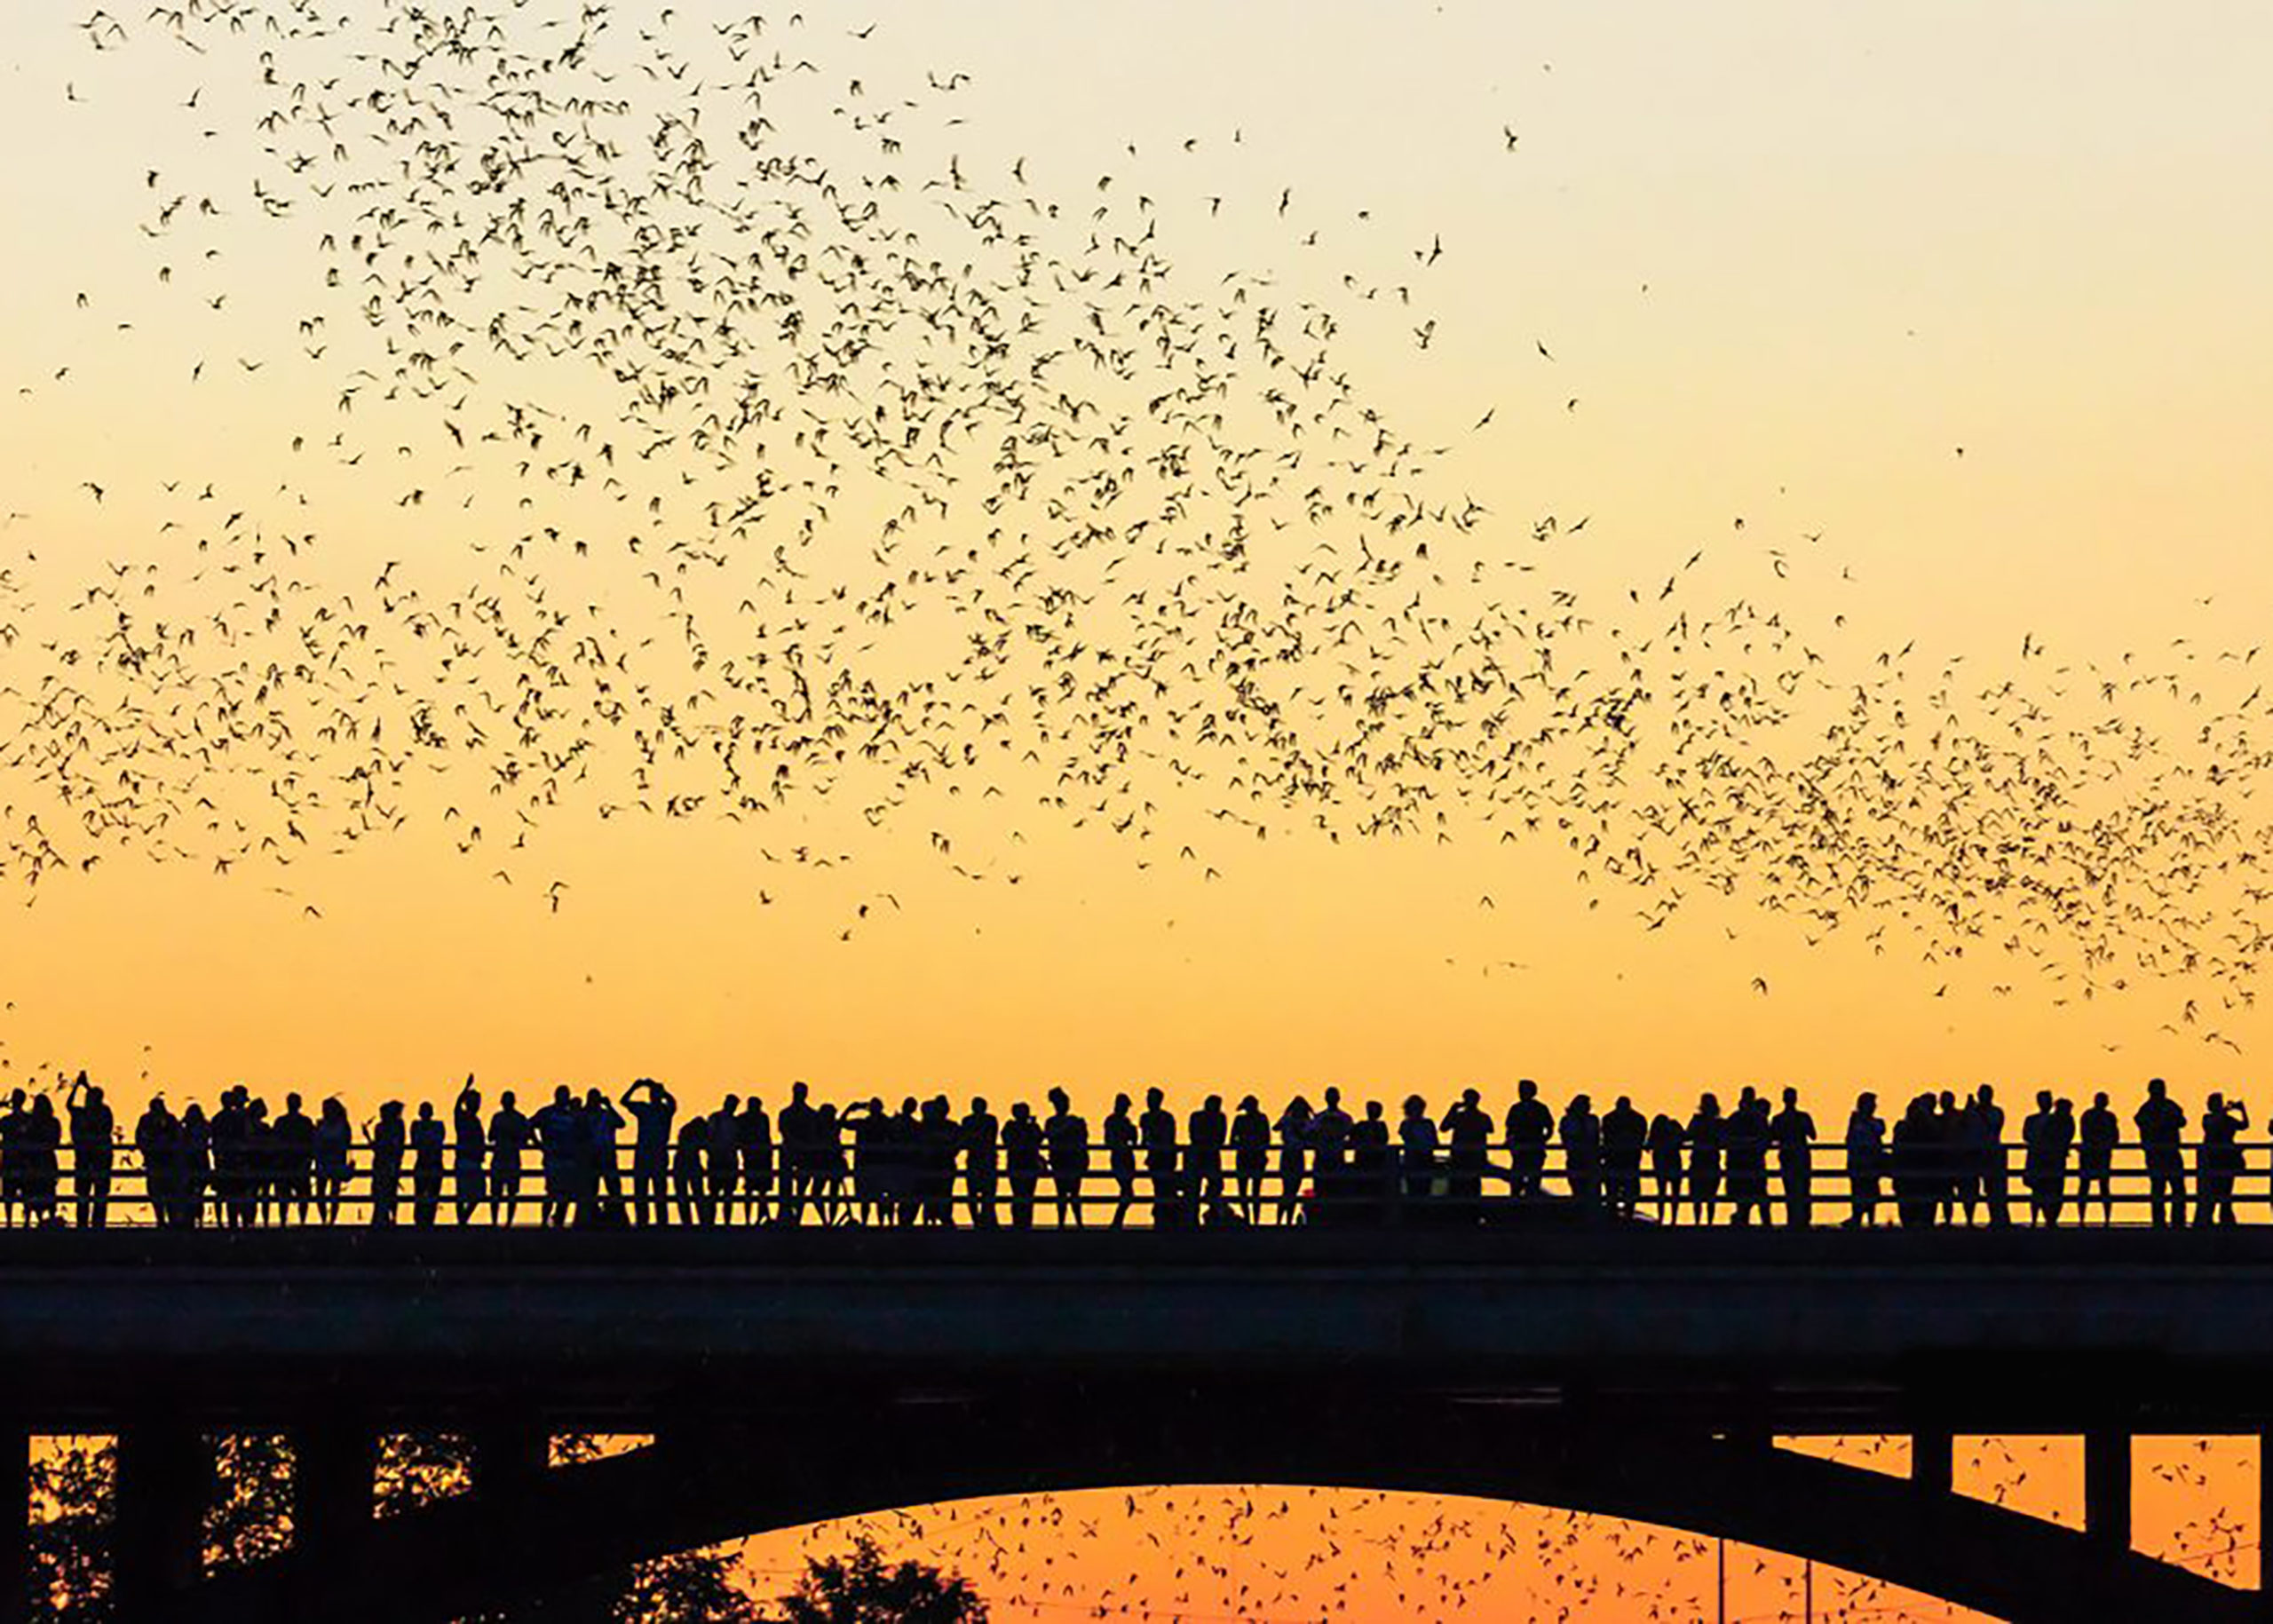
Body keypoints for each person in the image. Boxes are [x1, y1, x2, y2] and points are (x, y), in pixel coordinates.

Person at [622, 1079, 677, 1228]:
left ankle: (661, 1222)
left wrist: (655, 1088)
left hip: (656, 1152)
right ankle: (643, 1222)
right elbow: (624, 1101)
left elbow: (673, 1102)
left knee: (659, 1190)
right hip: (644, 1153)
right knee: (641, 1190)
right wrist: (635, 1087)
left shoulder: (664, 1110)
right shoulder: (645, 1109)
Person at [2136, 1077, 2187, 1230]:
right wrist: (2164, 1123)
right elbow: (2140, 1121)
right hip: (2159, 1153)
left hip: (2167, 1152)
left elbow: (2182, 1121)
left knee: (2173, 1188)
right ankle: (2163, 1221)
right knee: (2162, 1188)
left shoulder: (2164, 1106)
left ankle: (2175, 1221)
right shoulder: (2150, 1108)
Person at [66, 1073, 114, 1231]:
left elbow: (69, 1105)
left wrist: (80, 1086)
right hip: (93, 1159)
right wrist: (83, 1086)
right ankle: (90, 1225)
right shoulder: (99, 1112)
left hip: (91, 1158)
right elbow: (69, 1105)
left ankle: (89, 1225)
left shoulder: (94, 1113)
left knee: (92, 1194)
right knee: (87, 1194)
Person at [2196, 1092, 2249, 1228]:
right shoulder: (2208, 1118)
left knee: (2225, 1192)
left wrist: (2242, 1110)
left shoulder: (2226, 1119)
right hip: (2214, 1161)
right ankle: (2212, 1220)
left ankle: (2225, 1221)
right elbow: (2213, 1125)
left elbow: (2244, 1125)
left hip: (2223, 1161)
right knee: (2213, 1192)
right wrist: (2228, 1110)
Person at [1044, 1088, 1089, 1227]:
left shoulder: (1070, 1121)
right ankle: (1064, 1222)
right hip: (1061, 1160)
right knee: (1063, 1193)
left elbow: (1083, 1139)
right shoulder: (1055, 1122)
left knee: (1073, 1192)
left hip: (1072, 1160)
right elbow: (1050, 1137)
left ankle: (1075, 1222)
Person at [1770, 1087, 1815, 1229]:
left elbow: (1772, 1137)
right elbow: (1813, 1135)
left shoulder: (1778, 1119)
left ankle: (1793, 1220)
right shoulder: (1803, 1117)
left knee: (1791, 1188)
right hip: (1799, 1156)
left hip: (1789, 1156)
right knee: (1802, 1188)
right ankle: (1803, 1220)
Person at [1443, 1089, 1492, 1213]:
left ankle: (1468, 1213)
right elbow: (1444, 1127)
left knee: (1468, 1187)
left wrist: (1453, 1110)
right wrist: (1452, 1110)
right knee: (1464, 1186)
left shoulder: (1481, 1117)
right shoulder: (1481, 1117)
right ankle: (1465, 1213)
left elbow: (1444, 1127)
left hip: (1469, 1158)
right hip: (1464, 1158)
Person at [1723, 1090, 1767, 1227]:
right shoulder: (1757, 1118)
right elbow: (1766, 1138)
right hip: (1749, 1162)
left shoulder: (1735, 1118)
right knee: (1754, 1197)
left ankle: (1745, 1223)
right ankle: (1763, 1225)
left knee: (1748, 1199)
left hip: (1743, 1162)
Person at [1601, 1097, 1647, 1221]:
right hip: (1620, 1159)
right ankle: (1618, 1214)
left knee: (1624, 1188)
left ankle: (1624, 1214)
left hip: (1624, 1159)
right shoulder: (1638, 1119)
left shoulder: (1609, 1119)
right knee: (1616, 1188)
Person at [777, 1081, 816, 1226]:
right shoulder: (787, 1113)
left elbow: (812, 1133)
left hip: (804, 1154)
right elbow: (784, 1131)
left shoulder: (810, 1114)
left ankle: (797, 1216)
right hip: (790, 1152)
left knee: (801, 1187)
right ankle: (787, 1214)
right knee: (786, 1186)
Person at [487, 1090, 530, 1226]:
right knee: (498, 1193)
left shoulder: (503, 1118)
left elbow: (524, 1139)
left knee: (508, 1193)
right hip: (503, 1158)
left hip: (507, 1158)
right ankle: (498, 1221)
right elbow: (491, 1136)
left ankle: (505, 1222)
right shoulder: (513, 1118)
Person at [2076, 1091, 2119, 1225]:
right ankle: (2104, 1219)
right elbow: (2115, 1136)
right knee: (2098, 1187)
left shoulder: (2089, 1115)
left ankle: (2085, 1219)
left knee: (2090, 1187)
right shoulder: (2107, 1117)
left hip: (2093, 1154)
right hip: (2099, 1154)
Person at [1506, 1079, 1551, 1201]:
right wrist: (1510, 1142)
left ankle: (1531, 1205)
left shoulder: (1540, 1108)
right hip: (1520, 1150)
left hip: (1535, 1149)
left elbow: (1549, 1127)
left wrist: (1542, 1140)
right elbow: (1509, 1129)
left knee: (1534, 1180)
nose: (1521, 1093)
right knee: (1516, 1180)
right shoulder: (1516, 1108)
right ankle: (1516, 1204)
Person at [1842, 1093, 1884, 1227]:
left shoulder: (1875, 1122)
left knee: (1870, 1190)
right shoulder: (1855, 1121)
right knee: (1858, 1190)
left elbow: (1880, 1131)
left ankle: (1870, 1220)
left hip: (1871, 1162)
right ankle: (1857, 1218)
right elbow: (1849, 1139)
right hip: (1858, 1161)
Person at [1230, 1096, 1271, 1224]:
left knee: (1246, 1191)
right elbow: (1267, 1139)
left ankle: (1250, 1219)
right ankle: (1253, 1220)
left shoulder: (1241, 1120)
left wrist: (1244, 1144)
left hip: (1246, 1157)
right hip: (1255, 1157)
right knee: (1254, 1191)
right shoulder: (1261, 1118)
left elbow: (1232, 1140)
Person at [1972, 1085, 2010, 1226]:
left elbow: (1994, 1129)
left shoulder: (1996, 1112)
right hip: (1978, 1153)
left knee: (1996, 1187)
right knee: (1982, 1188)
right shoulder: (1974, 1112)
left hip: (1992, 1152)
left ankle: (1999, 1218)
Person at [1140, 1088, 1179, 1225]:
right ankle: (1161, 1218)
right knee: (1159, 1188)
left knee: (1165, 1188)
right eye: (1148, 1099)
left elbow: (1169, 1137)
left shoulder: (1166, 1118)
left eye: (1152, 1099)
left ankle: (1164, 1218)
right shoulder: (1146, 1117)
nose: (1149, 1102)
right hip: (1155, 1158)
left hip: (1165, 1158)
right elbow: (1144, 1139)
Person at [1002, 1102, 1043, 1230]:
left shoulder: (1029, 1127)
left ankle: (1024, 1222)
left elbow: (1039, 1139)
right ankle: (1020, 1222)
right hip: (1020, 1164)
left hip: (1025, 1164)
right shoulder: (1011, 1126)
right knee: (1020, 1194)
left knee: (1026, 1194)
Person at [453, 1077, 487, 1227]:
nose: (477, 1105)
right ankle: (462, 1220)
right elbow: (456, 1106)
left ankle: (463, 1219)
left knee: (479, 1193)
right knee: (463, 1193)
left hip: (475, 1160)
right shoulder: (462, 1117)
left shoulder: (475, 1119)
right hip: (465, 1159)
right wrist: (465, 1088)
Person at [962, 1097, 1001, 1228]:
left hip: (980, 1159)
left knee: (982, 1193)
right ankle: (981, 1220)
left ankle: (981, 1220)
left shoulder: (968, 1121)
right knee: (982, 1192)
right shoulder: (989, 1120)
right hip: (983, 1160)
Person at [1186, 1094, 1227, 1216]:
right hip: (1206, 1154)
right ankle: (1199, 1213)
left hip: (1205, 1154)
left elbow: (1221, 1137)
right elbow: (1221, 1137)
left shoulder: (1199, 1117)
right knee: (1197, 1186)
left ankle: (1210, 1212)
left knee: (1213, 1184)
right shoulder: (1217, 1117)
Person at [1558, 1094, 1600, 1216]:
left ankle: (1589, 1212)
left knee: (1591, 1185)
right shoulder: (1568, 1120)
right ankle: (1579, 1210)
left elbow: (1596, 1137)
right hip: (1575, 1156)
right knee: (1577, 1184)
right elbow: (1565, 1137)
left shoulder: (1592, 1120)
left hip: (1590, 1157)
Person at [313, 1098, 352, 1224]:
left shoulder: (342, 1125)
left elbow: (347, 1142)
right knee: (321, 1192)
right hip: (323, 1161)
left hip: (336, 1161)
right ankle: (324, 1218)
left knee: (334, 1192)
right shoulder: (321, 1124)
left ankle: (332, 1220)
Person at [1273, 1096, 1311, 1224]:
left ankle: (1286, 1219)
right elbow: (1276, 1127)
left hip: (1293, 1155)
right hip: (1292, 1155)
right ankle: (1281, 1220)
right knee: (1288, 1190)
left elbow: (1276, 1127)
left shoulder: (1293, 1120)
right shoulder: (1293, 1120)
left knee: (1291, 1190)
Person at [1687, 1095, 1723, 1225]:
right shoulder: (1717, 1122)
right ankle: (1708, 1222)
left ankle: (1700, 1221)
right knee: (1708, 1195)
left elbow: (1688, 1135)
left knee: (1701, 1195)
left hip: (1701, 1160)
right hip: (1709, 1160)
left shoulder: (1698, 1121)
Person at [1398, 1095, 1438, 1212]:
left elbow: (1434, 1141)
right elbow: (1406, 1137)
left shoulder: (1428, 1123)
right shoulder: (1406, 1124)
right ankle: (1414, 1212)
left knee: (1425, 1187)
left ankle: (1423, 1212)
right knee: (1413, 1187)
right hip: (1413, 1159)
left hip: (1425, 1158)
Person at [734, 1095, 771, 1225]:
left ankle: (761, 1216)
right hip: (752, 1157)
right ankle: (751, 1218)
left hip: (759, 1157)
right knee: (752, 1189)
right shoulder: (746, 1119)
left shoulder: (761, 1118)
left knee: (759, 1190)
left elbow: (767, 1137)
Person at [368, 1100, 406, 1227]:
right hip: (383, 1162)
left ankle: (389, 1217)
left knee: (388, 1190)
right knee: (383, 1190)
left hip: (388, 1162)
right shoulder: (383, 1127)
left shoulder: (395, 1126)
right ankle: (385, 1217)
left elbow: (397, 1146)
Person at [1103, 1094, 1137, 1228]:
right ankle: (1117, 1221)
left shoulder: (1125, 1121)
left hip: (1126, 1157)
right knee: (1127, 1191)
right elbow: (1108, 1140)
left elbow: (1133, 1141)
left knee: (1127, 1191)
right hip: (1119, 1157)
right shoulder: (1112, 1121)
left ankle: (1117, 1221)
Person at [409, 1102, 446, 1228]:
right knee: (422, 1193)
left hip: (430, 1162)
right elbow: (416, 1142)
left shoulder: (421, 1126)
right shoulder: (435, 1126)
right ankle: (422, 1221)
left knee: (431, 1193)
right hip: (428, 1162)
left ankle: (426, 1221)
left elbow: (418, 1141)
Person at [1646, 1110, 1685, 1222]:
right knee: (1673, 1192)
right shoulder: (1672, 1128)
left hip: (1662, 1163)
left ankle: (1662, 1218)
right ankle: (1672, 1219)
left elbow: (1648, 1146)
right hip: (1670, 1163)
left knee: (1662, 1192)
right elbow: (1684, 1138)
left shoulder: (1658, 1131)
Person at [671, 1113, 709, 1226]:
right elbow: (703, 1146)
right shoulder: (694, 1133)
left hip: (681, 1164)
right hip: (690, 1164)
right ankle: (702, 1220)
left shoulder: (685, 1130)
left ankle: (687, 1221)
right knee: (697, 1194)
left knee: (683, 1195)